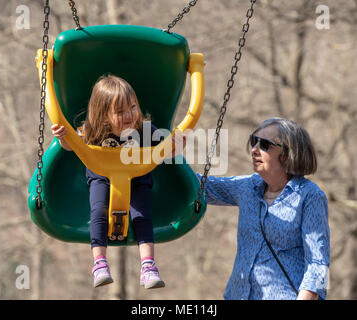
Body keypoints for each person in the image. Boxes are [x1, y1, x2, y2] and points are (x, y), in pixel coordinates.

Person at [51, 74, 178, 289]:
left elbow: (168, 149)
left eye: (133, 107)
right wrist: (63, 136)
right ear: (104, 115)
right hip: (102, 178)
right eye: (120, 112)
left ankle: (148, 266)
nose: (129, 115)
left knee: (142, 215)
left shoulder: (144, 130)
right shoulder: (94, 131)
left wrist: (176, 142)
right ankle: (99, 263)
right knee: (98, 211)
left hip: (137, 179)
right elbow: (71, 145)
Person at [196, 118, 330, 300]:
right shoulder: (247, 187)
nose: (254, 149)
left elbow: (318, 264)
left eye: (265, 145)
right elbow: (200, 186)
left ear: (289, 153)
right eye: (254, 141)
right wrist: (165, 153)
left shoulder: (311, 196)